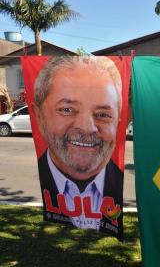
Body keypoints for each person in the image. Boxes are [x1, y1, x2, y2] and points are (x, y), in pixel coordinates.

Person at [33, 56, 123, 239]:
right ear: (39, 116)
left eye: (103, 114)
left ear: (118, 123)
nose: (87, 127)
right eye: (67, 109)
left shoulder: (118, 181)